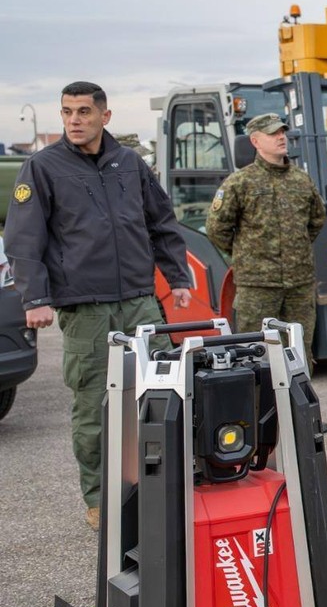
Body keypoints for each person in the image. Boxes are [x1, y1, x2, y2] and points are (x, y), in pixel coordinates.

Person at [7, 81, 191, 529]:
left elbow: (160, 223)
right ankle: (100, 498)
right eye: (68, 111)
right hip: (86, 308)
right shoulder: (42, 167)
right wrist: (34, 298)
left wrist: (179, 277)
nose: (74, 120)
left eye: (84, 112)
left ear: (104, 117)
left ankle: (164, 485)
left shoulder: (129, 163)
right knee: (94, 406)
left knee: (162, 393)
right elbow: (24, 239)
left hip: (139, 302)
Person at [206, 113, 327, 339]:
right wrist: (247, 253)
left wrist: (294, 249)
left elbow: (316, 220)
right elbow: (216, 228)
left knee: (299, 349)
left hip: (299, 283)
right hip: (257, 285)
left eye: (282, 132)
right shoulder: (240, 182)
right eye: (273, 134)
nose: (281, 137)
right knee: (258, 350)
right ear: (255, 141)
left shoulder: (302, 180)